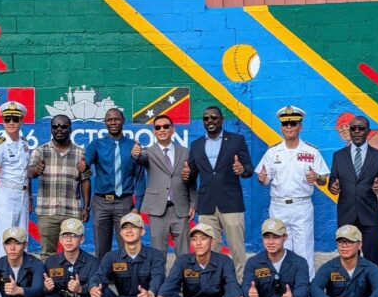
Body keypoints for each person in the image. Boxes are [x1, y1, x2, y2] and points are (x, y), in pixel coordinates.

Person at [256, 106, 327, 279]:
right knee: (280, 249)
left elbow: (324, 179)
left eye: (293, 123)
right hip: (278, 206)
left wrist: (316, 177)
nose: (289, 127)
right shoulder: (272, 152)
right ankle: (282, 289)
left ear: (300, 126)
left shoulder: (311, 151)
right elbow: (264, 180)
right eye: (285, 123)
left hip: (301, 206)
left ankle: (307, 292)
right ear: (281, 127)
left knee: (304, 250)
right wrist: (262, 178)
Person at [184, 106, 253, 282]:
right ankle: (213, 284)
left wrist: (242, 169)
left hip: (231, 202)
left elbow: (249, 168)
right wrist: (186, 175)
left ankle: (240, 285)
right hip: (206, 204)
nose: (210, 121)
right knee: (209, 249)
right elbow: (191, 175)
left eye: (214, 118)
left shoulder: (236, 140)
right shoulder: (197, 144)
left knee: (237, 249)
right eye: (206, 118)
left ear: (222, 119)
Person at [81, 107, 143, 257]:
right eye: (109, 120)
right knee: (101, 249)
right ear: (105, 123)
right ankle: (103, 279)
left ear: (123, 121)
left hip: (125, 203)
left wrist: (138, 207)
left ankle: (126, 280)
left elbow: (140, 178)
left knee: (127, 247)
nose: (113, 122)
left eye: (116, 119)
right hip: (101, 204)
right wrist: (83, 165)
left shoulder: (132, 146)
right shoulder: (96, 145)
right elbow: (85, 166)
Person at [132, 114, 195, 258]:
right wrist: (135, 154)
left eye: (166, 126)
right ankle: (159, 281)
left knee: (184, 252)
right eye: (158, 127)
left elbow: (191, 180)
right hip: (157, 210)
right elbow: (140, 159)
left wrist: (193, 203)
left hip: (180, 207)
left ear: (173, 130)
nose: (162, 130)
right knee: (158, 253)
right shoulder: (147, 152)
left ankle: (184, 280)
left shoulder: (184, 152)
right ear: (154, 131)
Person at [328, 114, 378, 266]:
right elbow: (332, 182)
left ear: (367, 131)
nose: (356, 131)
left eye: (361, 128)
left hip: (369, 215)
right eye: (352, 128)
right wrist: (333, 187)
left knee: (372, 259)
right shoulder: (338, 156)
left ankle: (373, 288)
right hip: (347, 214)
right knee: (348, 260)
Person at [29, 114, 90, 256]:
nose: (59, 129)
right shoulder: (40, 151)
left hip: (72, 211)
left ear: (70, 129)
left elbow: (85, 181)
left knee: (73, 253)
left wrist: (86, 207)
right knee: (47, 254)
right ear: (51, 129)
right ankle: (48, 279)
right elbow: (30, 173)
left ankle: (70, 279)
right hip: (47, 212)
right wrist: (36, 170)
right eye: (55, 126)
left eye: (63, 126)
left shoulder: (80, 153)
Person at [0, 102, 33, 255]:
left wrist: (30, 199)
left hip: (23, 194)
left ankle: (21, 273)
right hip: (6, 193)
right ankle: (2, 275)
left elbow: (27, 173)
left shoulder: (25, 144)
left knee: (22, 235)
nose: (11, 123)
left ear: (22, 121)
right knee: (5, 236)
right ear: (3, 122)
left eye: (15, 119)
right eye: (7, 119)